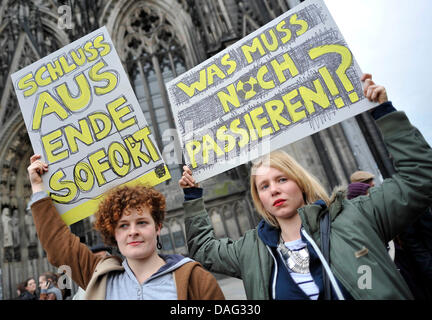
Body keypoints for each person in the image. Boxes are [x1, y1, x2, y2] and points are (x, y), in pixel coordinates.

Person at [179, 73, 432, 300]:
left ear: (300, 182)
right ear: (259, 198)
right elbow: (204, 249)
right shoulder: (253, 250)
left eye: (281, 179)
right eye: (264, 186)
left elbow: (419, 179)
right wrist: (192, 195)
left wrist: (385, 113)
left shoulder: (357, 215)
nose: (274, 190)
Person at [27, 161, 225, 300]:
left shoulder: (196, 280)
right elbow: (58, 245)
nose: (133, 231)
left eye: (142, 223)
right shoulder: (98, 274)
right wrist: (38, 188)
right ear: (113, 232)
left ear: (157, 227)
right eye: (123, 225)